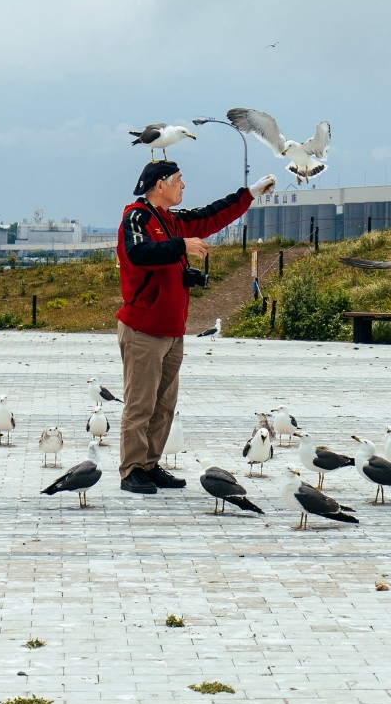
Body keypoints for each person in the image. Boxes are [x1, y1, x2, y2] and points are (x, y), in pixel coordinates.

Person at [114, 160, 274, 494]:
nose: (183, 186)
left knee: (164, 405)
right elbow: (137, 253)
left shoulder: (173, 220)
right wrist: (180, 247)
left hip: (172, 330)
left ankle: (149, 465)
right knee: (140, 404)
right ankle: (131, 470)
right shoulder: (137, 216)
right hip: (144, 328)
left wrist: (251, 194)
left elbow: (212, 215)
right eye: (179, 180)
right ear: (161, 184)